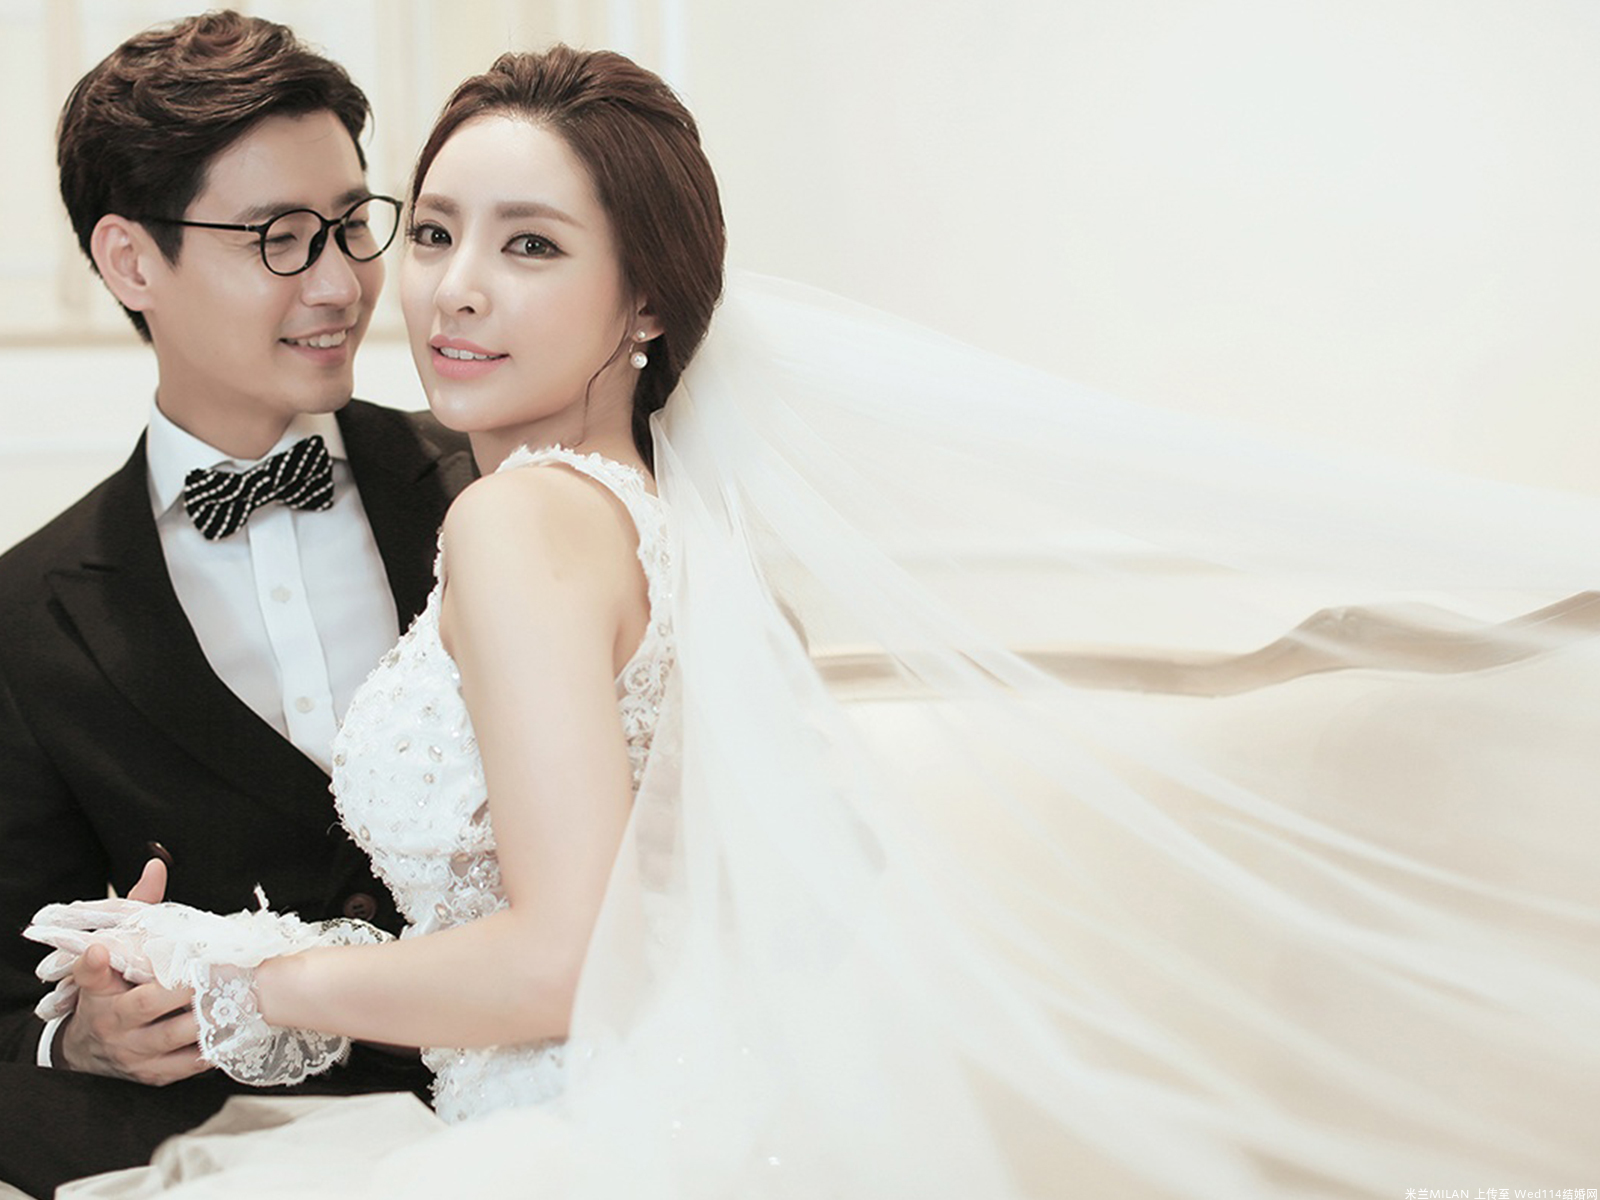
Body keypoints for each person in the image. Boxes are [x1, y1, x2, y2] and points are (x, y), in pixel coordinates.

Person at [32, 44, 1600, 1200]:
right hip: (688, 1106)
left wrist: (240, 970)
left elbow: (565, 954)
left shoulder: (506, 516)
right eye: (433, 233)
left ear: (649, 301)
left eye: (528, 245)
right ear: (129, 261)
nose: (436, 292)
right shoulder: (667, 520)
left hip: (573, 1121)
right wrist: (117, 1019)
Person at [0, 12, 472, 1197]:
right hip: (227, 1158)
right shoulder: (24, 616)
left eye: (351, 225)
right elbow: (10, 994)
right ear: (130, 263)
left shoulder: (500, 489)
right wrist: (81, 1034)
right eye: (279, 239)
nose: (341, 283)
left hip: (538, 1112)